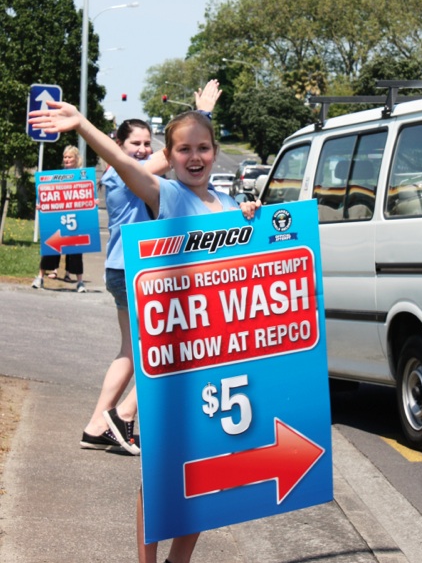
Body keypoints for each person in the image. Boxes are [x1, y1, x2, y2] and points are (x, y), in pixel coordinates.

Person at [29, 97, 260, 563]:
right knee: (162, 477)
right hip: (174, 367)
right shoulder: (170, 196)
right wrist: (83, 126)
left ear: (216, 151)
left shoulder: (233, 202)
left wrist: (252, 219)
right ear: (168, 157)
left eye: (203, 148)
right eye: (183, 150)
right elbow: (122, 164)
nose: (194, 158)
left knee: (210, 476)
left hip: (222, 365)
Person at [80, 82, 223, 455]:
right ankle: (120, 416)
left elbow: (172, 155)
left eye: (147, 142)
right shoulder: (122, 175)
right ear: (119, 147)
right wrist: (201, 117)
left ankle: (99, 424)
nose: (143, 150)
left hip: (126, 269)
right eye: (135, 144)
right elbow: (165, 158)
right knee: (165, 352)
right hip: (135, 271)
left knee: (133, 352)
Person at [32, 144, 87, 292]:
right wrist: (41, 205)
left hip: (76, 219)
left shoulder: (83, 176)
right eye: (65, 157)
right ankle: (40, 278)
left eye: (69, 157)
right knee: (51, 247)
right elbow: (49, 195)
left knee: (76, 250)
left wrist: (92, 202)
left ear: (76, 159)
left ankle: (80, 282)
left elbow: (88, 196)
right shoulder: (57, 176)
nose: (67, 159)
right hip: (58, 218)